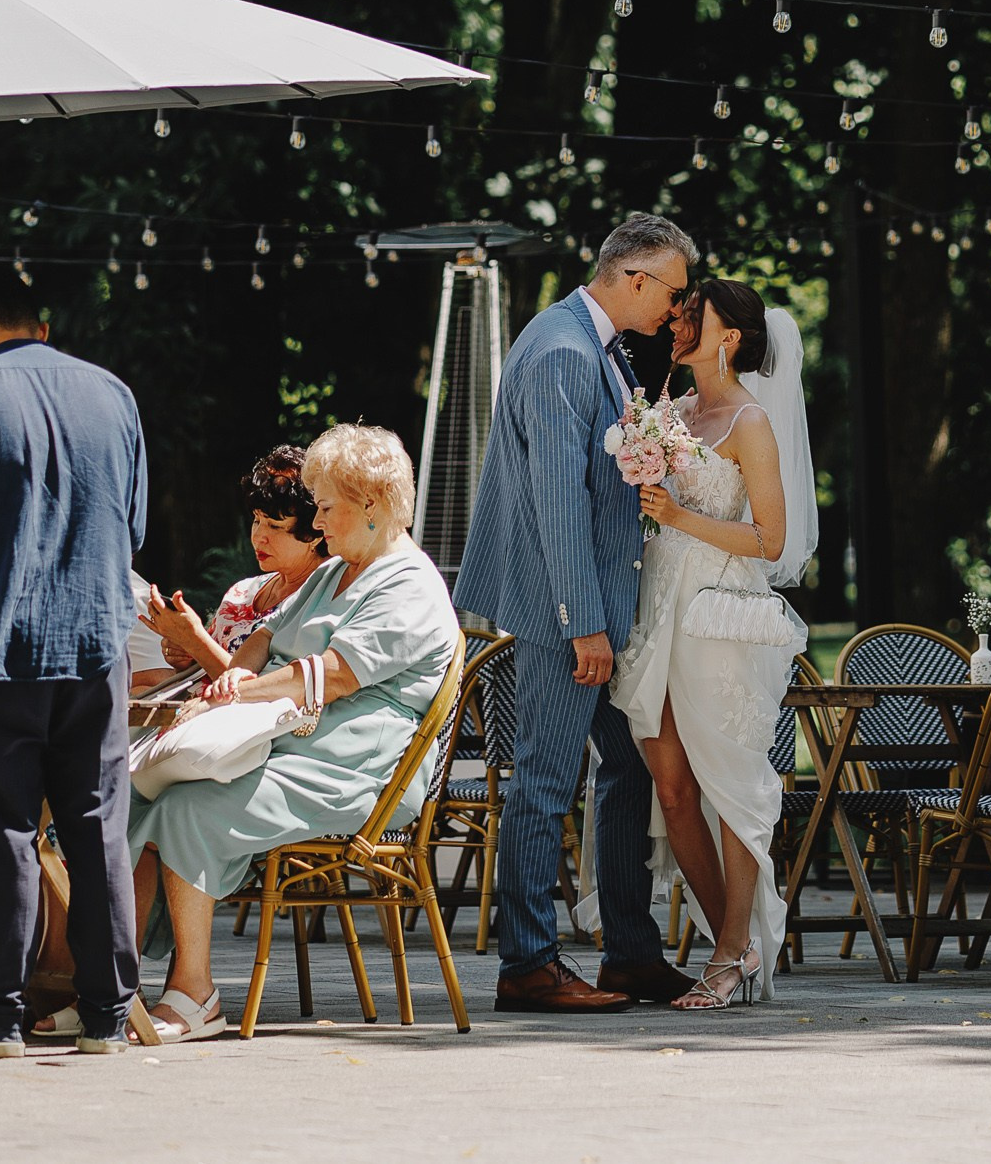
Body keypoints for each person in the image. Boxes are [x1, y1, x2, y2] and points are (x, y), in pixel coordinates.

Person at [129, 424, 460, 1041]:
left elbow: (333, 677)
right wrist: (238, 676)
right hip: (295, 743)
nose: (320, 522)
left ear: (372, 503)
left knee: (185, 807)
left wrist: (233, 691)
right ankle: (87, 980)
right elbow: (264, 635)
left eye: (328, 507)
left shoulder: (408, 582)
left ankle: (193, 993)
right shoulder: (333, 574)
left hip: (358, 768)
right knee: (133, 795)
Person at [453, 211, 698, 1012]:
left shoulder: (590, 347)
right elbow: (558, 501)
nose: (676, 309)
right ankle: (528, 963)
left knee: (627, 769)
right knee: (546, 780)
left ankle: (629, 953)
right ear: (637, 279)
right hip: (570, 614)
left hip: (599, 611)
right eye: (674, 292)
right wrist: (582, 623)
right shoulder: (562, 351)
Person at [0, 268, 149, 1059]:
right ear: (39, 328)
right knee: (96, 825)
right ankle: (108, 1016)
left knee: (3, 828)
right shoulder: (113, 394)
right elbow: (133, 522)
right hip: (96, 644)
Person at [611, 278, 817, 1009]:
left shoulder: (751, 422)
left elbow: (771, 539)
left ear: (729, 337)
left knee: (730, 784)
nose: (679, 320)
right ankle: (733, 935)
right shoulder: (671, 411)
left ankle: (729, 954)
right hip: (657, 603)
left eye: (695, 314)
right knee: (671, 788)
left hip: (719, 611)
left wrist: (676, 513)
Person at [137, 445, 329, 685]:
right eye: (256, 520)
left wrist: (196, 640)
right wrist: (184, 652)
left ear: (315, 533)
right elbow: (206, 666)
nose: (258, 536)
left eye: (274, 526)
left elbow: (261, 689)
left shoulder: (323, 598)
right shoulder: (243, 591)